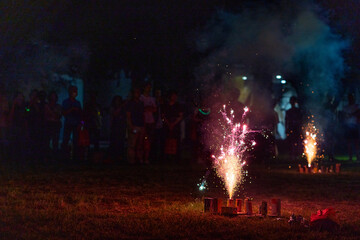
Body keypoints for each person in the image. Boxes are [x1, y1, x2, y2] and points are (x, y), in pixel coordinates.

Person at [61, 85, 82, 161]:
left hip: (76, 124)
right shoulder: (66, 102)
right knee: (66, 140)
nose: (75, 93)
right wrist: (71, 109)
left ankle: (75, 157)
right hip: (69, 123)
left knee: (76, 141)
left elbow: (81, 114)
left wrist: (81, 123)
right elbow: (63, 112)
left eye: (76, 91)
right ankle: (64, 156)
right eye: (74, 91)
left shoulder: (78, 103)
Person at [163, 90, 184, 163]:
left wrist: (173, 124)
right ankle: (167, 157)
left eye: (175, 96)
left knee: (175, 141)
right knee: (168, 141)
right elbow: (163, 116)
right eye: (173, 96)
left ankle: (175, 157)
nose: (174, 97)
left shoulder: (178, 105)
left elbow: (180, 116)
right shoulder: (166, 105)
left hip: (176, 126)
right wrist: (168, 124)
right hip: (167, 125)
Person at [126, 87, 145, 164]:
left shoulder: (141, 103)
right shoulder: (130, 104)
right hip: (134, 125)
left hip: (140, 125)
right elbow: (128, 115)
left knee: (140, 144)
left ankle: (139, 159)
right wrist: (130, 126)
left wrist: (144, 126)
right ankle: (131, 160)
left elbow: (143, 115)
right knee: (132, 144)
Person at [140, 83, 157, 164]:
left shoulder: (152, 99)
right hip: (143, 121)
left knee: (149, 140)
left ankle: (146, 158)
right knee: (142, 140)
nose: (149, 89)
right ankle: (140, 158)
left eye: (150, 87)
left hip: (151, 121)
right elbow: (141, 108)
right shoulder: (141, 98)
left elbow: (154, 109)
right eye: (147, 87)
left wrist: (148, 108)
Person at [9, 92, 28, 162]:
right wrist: (14, 105)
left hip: (22, 127)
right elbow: (11, 115)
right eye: (18, 96)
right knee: (15, 142)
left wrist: (27, 109)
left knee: (22, 143)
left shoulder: (24, 106)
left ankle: (22, 159)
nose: (20, 98)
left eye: (21, 96)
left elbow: (27, 112)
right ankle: (14, 158)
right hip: (15, 126)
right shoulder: (13, 105)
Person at [44, 91, 62, 159]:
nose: (53, 98)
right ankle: (47, 156)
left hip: (56, 125)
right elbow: (46, 115)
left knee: (55, 141)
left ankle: (55, 156)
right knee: (47, 140)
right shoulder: (46, 106)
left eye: (54, 96)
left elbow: (59, 116)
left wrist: (53, 114)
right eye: (52, 96)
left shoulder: (58, 106)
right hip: (48, 124)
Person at [109, 95, 127, 162]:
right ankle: (114, 155)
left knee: (120, 141)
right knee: (115, 141)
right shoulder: (113, 108)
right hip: (115, 126)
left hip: (121, 126)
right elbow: (114, 115)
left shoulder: (123, 109)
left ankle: (120, 155)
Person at [343, 93, 360, 162]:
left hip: (355, 126)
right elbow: (343, 115)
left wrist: (352, 114)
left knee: (356, 143)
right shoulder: (346, 107)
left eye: (352, 98)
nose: (351, 99)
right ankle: (350, 157)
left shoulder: (357, 106)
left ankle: (358, 157)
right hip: (348, 126)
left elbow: (358, 114)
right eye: (350, 98)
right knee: (349, 143)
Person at [285, 96, 303, 161]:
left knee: (296, 142)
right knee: (291, 142)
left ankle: (296, 155)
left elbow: (301, 121)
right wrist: (286, 128)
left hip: (296, 128)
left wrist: (300, 128)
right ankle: (292, 155)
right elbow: (286, 121)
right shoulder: (288, 111)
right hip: (291, 128)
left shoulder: (298, 111)